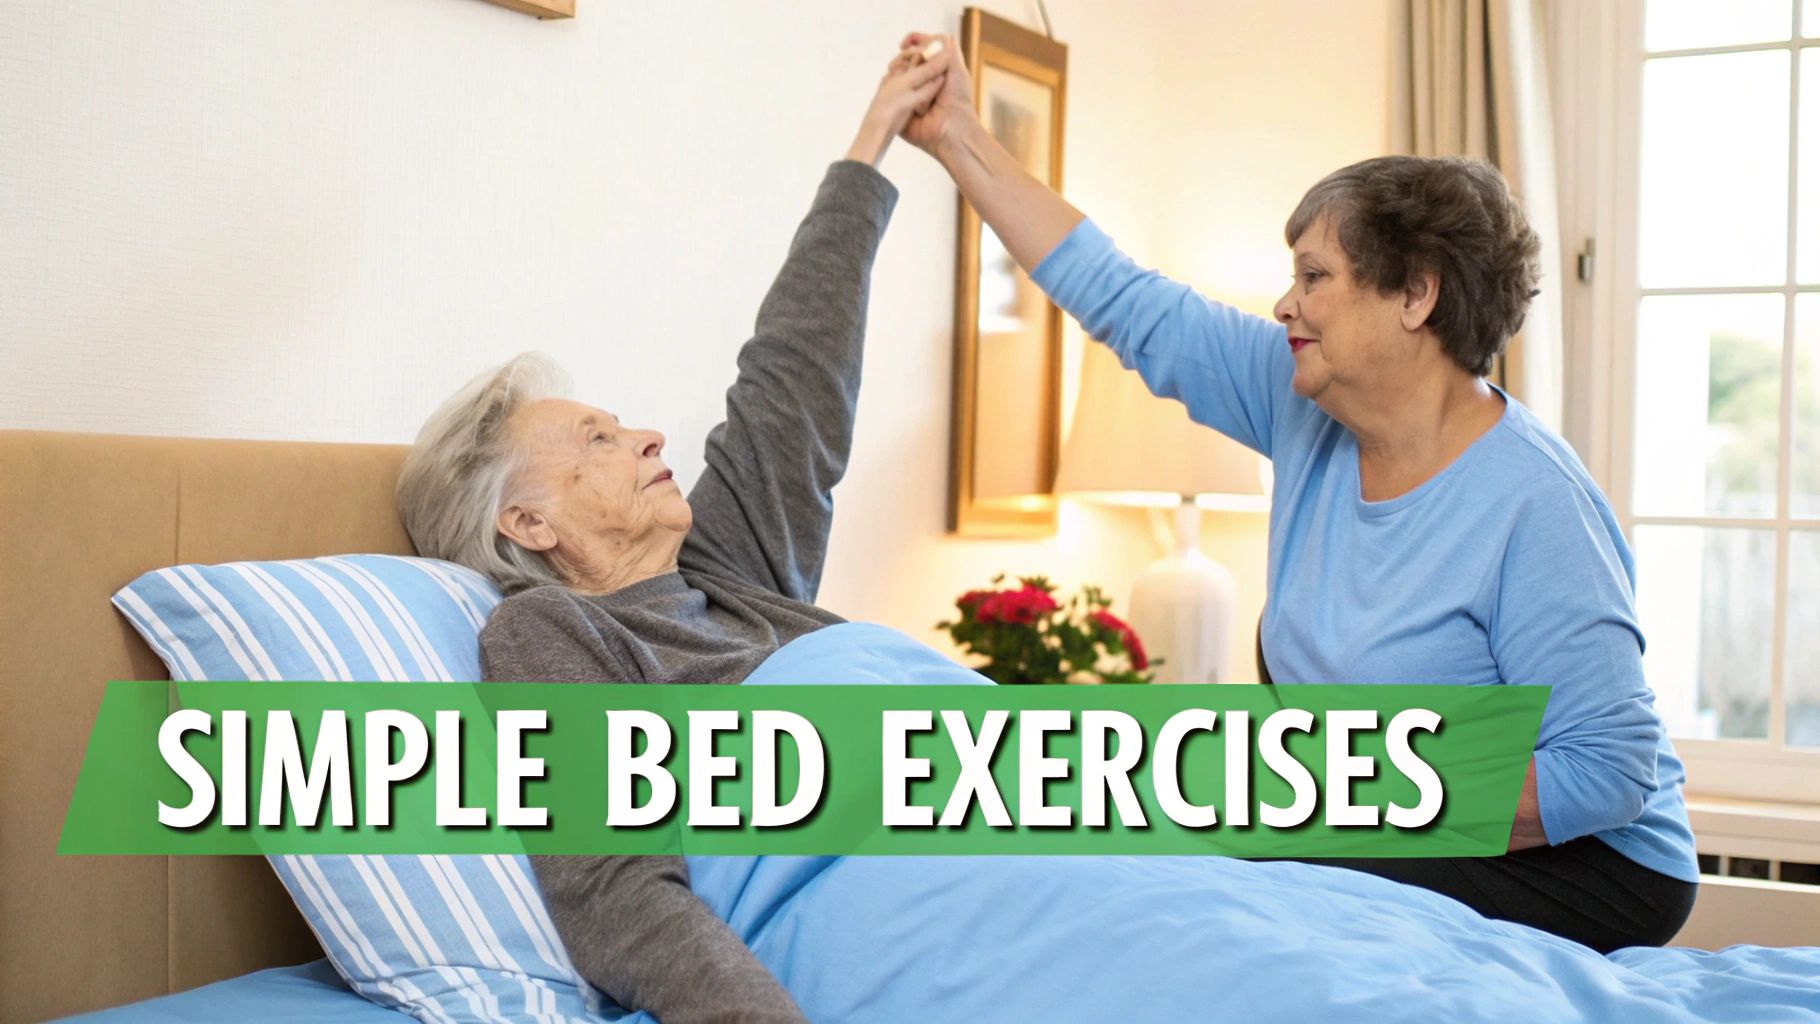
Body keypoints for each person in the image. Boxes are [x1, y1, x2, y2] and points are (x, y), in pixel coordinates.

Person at [892, 30, 1698, 952]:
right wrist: (959, 133)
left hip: (1592, 865)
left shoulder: (1533, 502)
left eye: (1315, 277)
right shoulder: (1296, 399)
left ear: (1416, 296)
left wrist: (1336, 786)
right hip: (1387, 803)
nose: (1286, 305)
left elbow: (1609, 770)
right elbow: (1122, 295)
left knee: (1217, 853)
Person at [394, 48, 950, 1023]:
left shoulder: (724, 570)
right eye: (597, 440)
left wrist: (870, 146)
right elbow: (614, 890)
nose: (647, 434)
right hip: (902, 897)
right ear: (529, 522)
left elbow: (795, 377)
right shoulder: (548, 639)